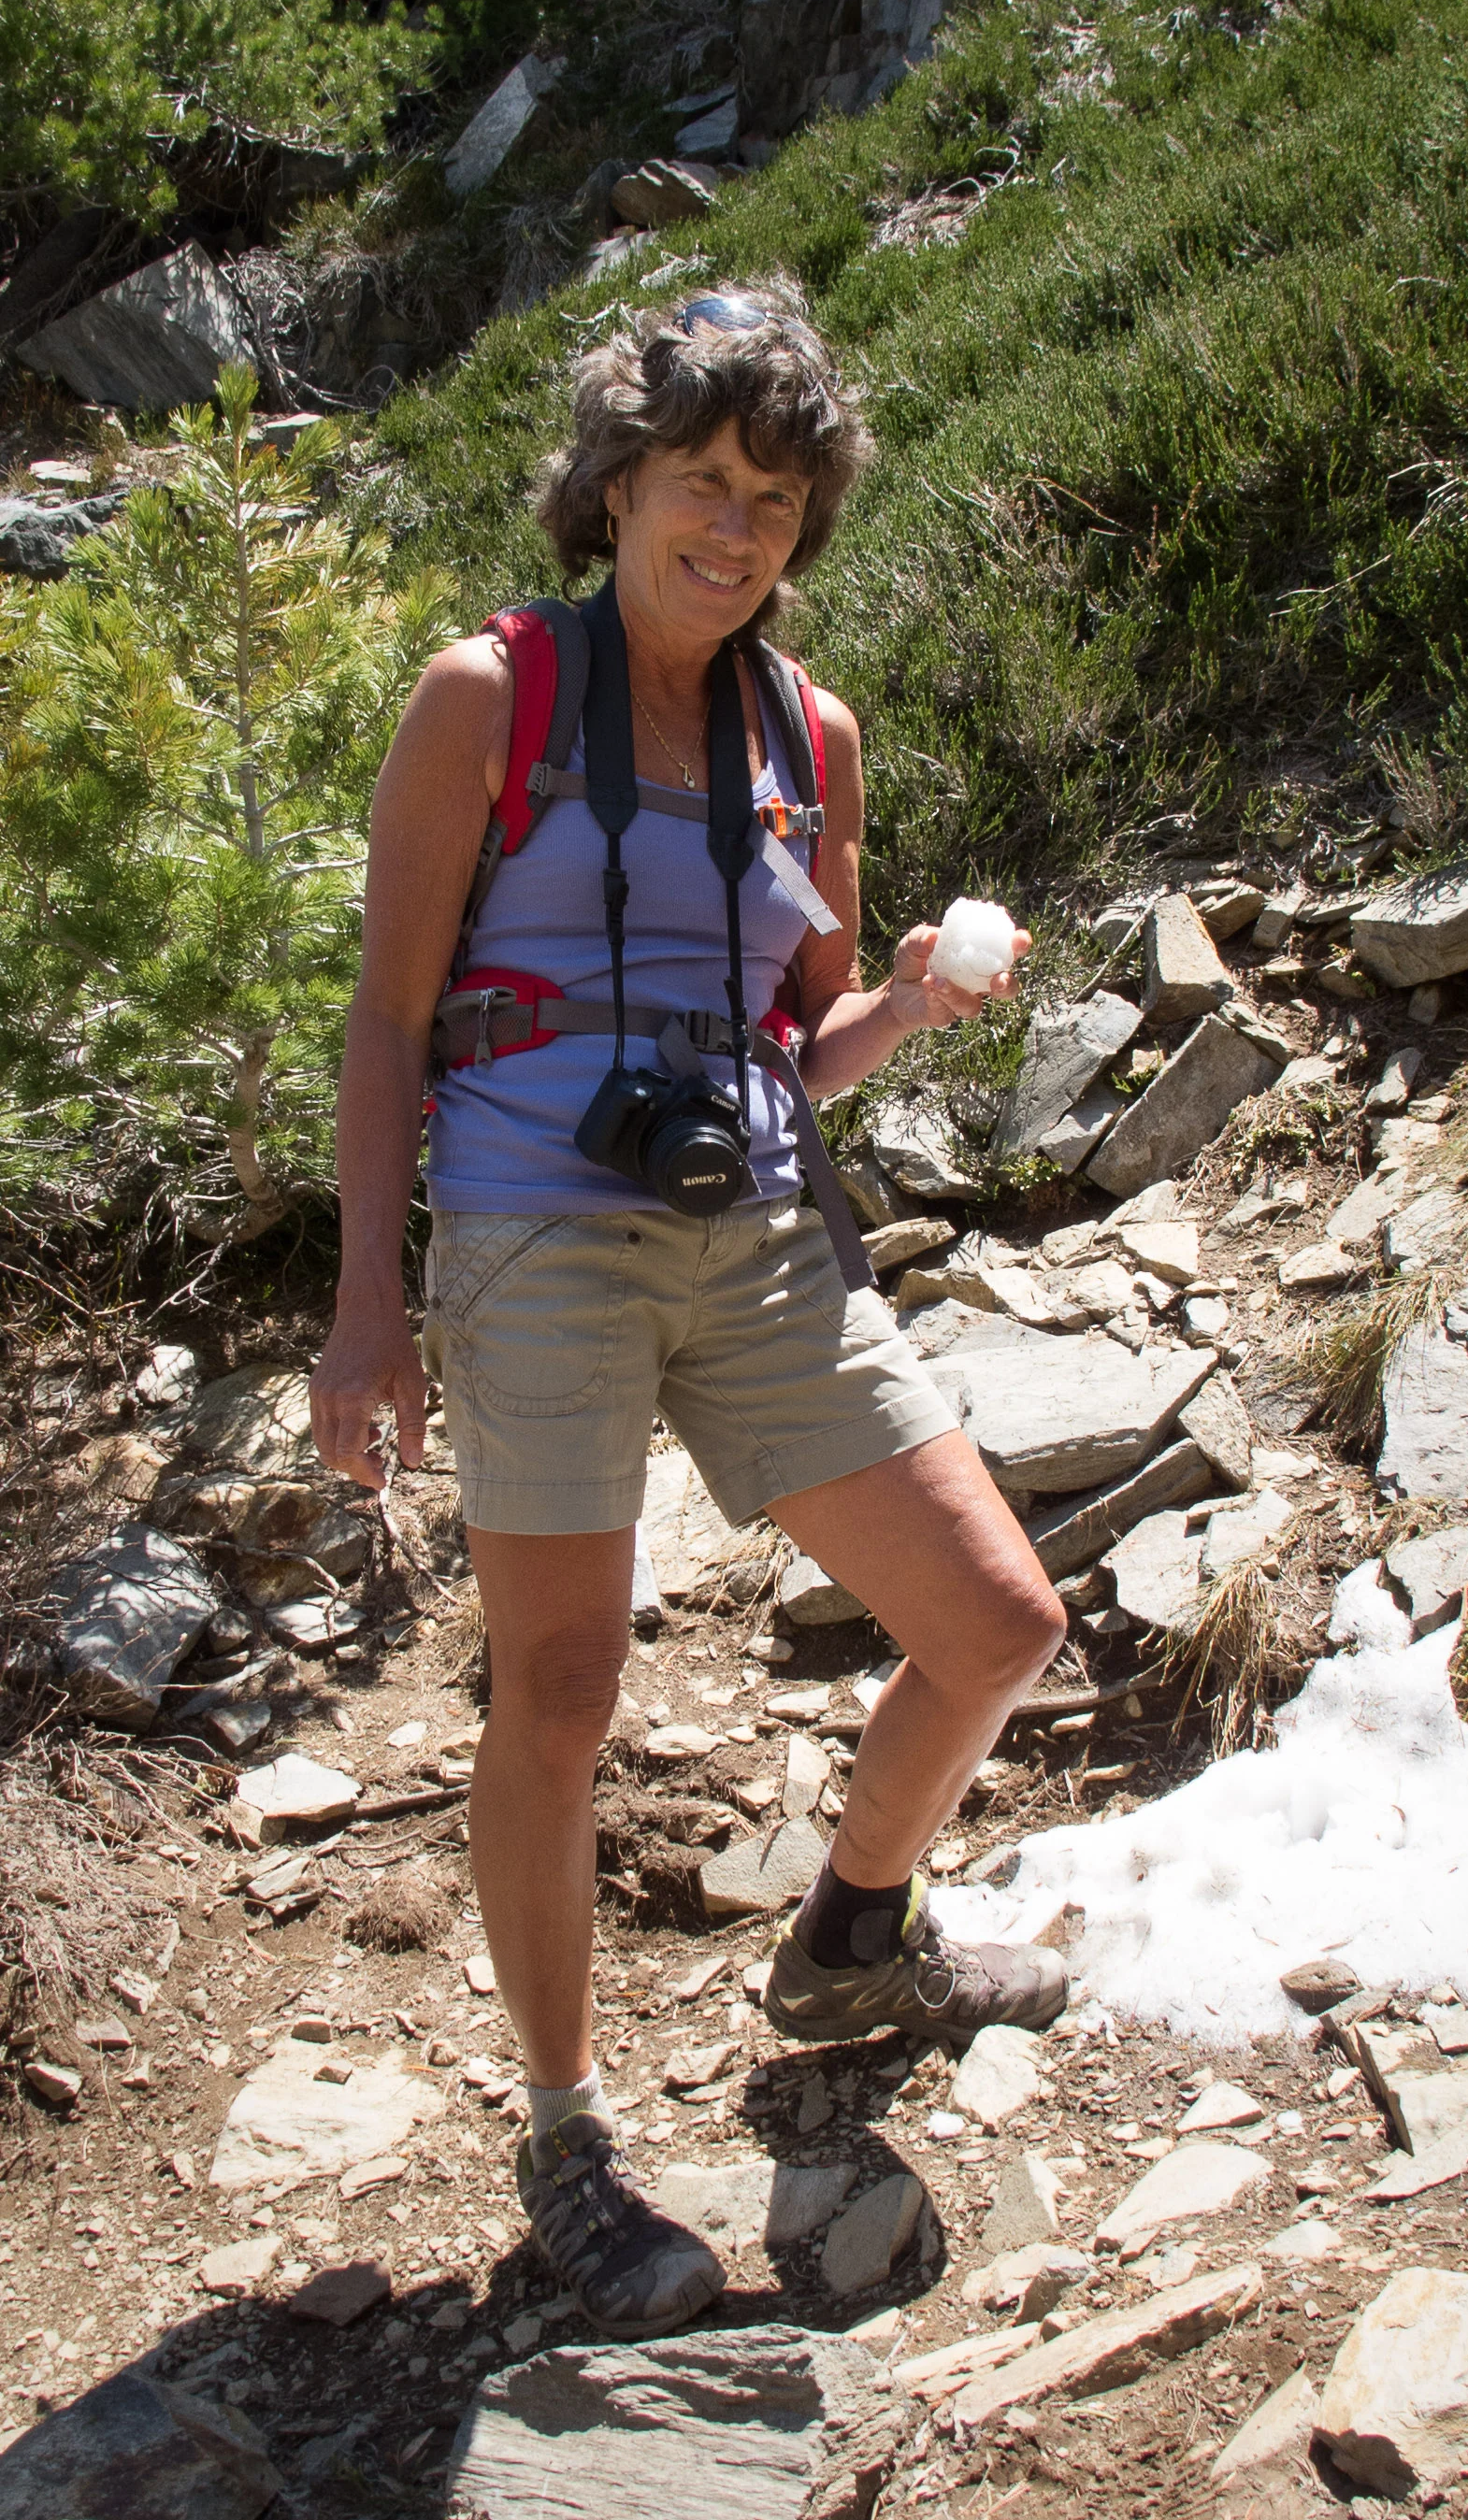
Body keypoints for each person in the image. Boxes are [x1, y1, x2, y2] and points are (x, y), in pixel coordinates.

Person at [310, 284, 1069, 2343]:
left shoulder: (805, 732)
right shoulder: (487, 693)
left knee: (997, 1619)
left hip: (756, 1234)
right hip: (531, 1236)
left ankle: (850, 1937)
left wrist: (898, 1003)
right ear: (619, 483)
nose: (733, 531)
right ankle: (566, 2136)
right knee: (558, 1694)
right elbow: (387, 1021)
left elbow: (791, 1032)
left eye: (774, 500)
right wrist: (366, 1305)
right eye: (699, 485)